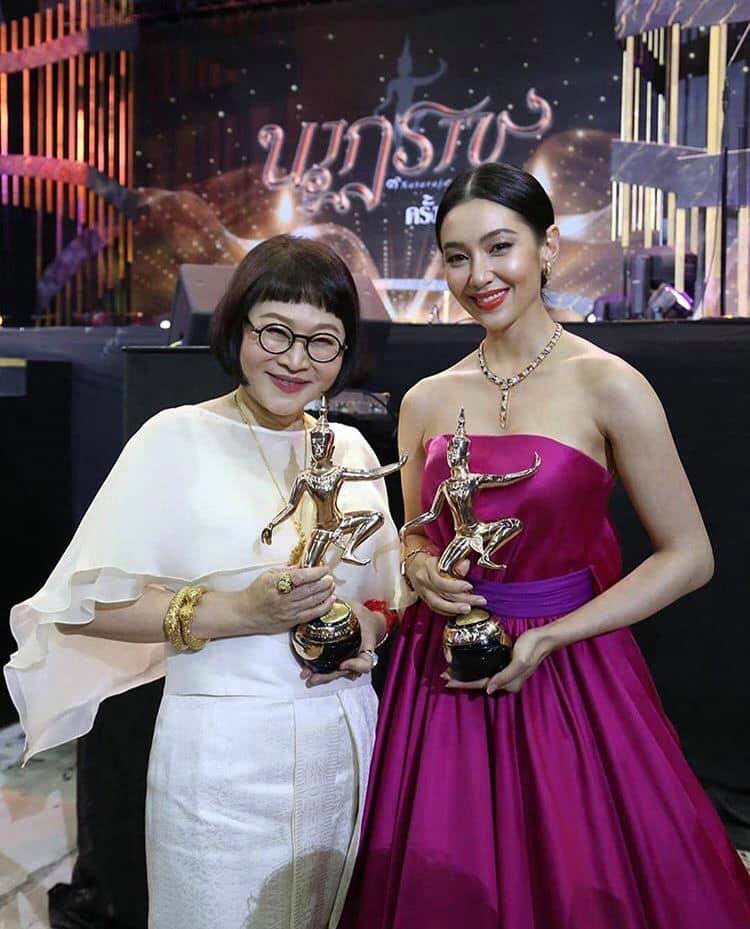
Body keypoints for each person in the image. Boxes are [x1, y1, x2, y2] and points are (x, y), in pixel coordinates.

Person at [340, 163, 750, 929]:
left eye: (500, 247)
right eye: (457, 256)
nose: (479, 275)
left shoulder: (609, 385)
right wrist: (422, 565)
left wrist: (556, 635)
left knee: (580, 871)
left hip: (572, 667)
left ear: (548, 245)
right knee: (443, 877)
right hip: (445, 674)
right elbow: (419, 528)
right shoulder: (427, 397)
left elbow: (689, 555)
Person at [5, 235, 404, 929]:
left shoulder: (350, 447)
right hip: (221, 756)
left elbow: (388, 591)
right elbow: (81, 606)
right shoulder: (175, 438)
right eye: (275, 331)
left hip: (343, 745)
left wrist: (365, 628)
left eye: (322, 341)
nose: (295, 359)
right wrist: (234, 611)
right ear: (237, 327)